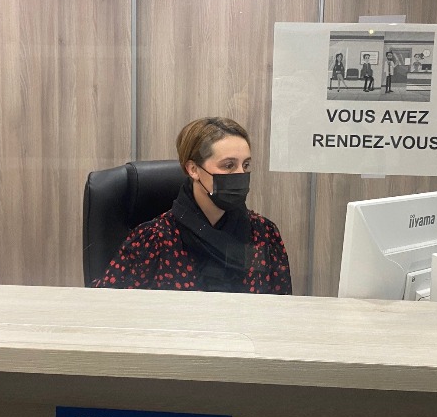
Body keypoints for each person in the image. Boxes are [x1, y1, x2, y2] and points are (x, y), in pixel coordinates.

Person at [91, 117, 292, 294]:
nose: (240, 174)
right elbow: (107, 308)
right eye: (229, 165)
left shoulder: (264, 235)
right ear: (193, 169)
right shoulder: (153, 240)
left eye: (245, 165)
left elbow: (281, 311)